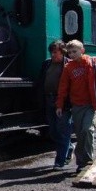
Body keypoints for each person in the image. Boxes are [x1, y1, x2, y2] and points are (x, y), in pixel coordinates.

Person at [56, 40, 96, 174]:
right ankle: (81, 162)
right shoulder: (68, 68)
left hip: (92, 104)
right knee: (80, 134)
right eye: (69, 52)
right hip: (76, 106)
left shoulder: (93, 62)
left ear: (82, 50)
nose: (72, 54)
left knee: (87, 129)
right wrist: (59, 105)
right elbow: (63, 87)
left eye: (74, 51)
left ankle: (87, 161)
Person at [39, 40, 74, 171]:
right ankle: (69, 148)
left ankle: (59, 161)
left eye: (55, 52)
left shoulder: (69, 65)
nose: (53, 55)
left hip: (64, 101)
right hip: (49, 100)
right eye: (52, 52)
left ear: (62, 52)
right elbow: (41, 81)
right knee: (53, 131)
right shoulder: (46, 64)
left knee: (63, 131)